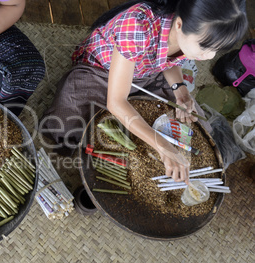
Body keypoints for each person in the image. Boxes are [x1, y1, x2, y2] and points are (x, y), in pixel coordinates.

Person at [41, 0, 248, 183]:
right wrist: (164, 147)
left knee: (196, 126)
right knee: (65, 126)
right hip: (100, 72)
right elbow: (116, 102)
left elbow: (170, 61)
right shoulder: (138, 26)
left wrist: (180, 90)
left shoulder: (188, 34)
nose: (209, 56)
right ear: (179, 25)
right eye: (205, 47)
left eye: (216, 50)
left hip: (149, 72)